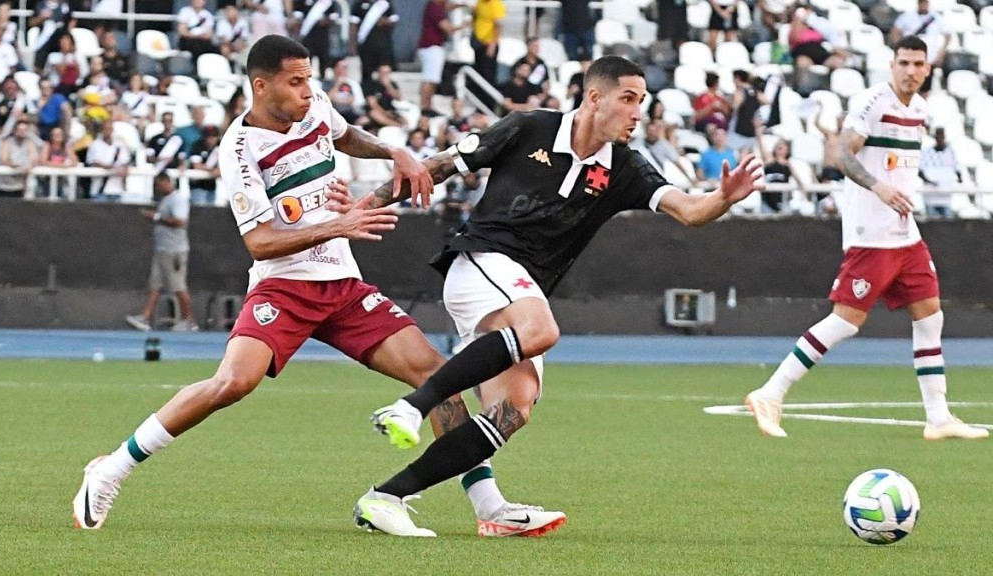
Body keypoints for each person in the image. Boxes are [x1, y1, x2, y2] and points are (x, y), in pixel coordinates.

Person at [73, 35, 557, 540]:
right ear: (261, 86)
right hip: (284, 289)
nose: (309, 91)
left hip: (343, 287)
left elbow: (345, 136)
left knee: (438, 379)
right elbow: (260, 243)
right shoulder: (239, 148)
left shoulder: (315, 107)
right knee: (232, 383)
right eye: (296, 81)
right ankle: (111, 469)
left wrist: (395, 152)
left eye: (311, 79)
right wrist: (337, 226)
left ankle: (490, 508)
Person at [353, 56, 764, 535]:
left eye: (642, 103)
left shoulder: (625, 167)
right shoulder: (528, 128)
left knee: (513, 409)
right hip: (480, 263)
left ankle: (391, 498)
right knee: (541, 329)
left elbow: (690, 211)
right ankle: (413, 406)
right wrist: (361, 209)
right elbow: (440, 166)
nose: (638, 113)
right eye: (628, 100)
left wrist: (723, 198)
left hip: (520, 290)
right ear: (594, 98)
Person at [743, 36, 988, 441]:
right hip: (871, 235)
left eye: (918, 64)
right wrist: (879, 188)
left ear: (928, 69)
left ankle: (939, 416)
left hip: (905, 234)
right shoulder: (872, 102)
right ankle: (771, 393)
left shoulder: (921, 108)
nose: (911, 71)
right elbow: (843, 153)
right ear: (892, 65)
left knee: (930, 317)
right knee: (846, 322)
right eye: (904, 63)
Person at [125, 173, 200, 332]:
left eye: (159, 185)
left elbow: (180, 221)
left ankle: (189, 320)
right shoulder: (166, 200)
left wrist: (156, 217)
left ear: (167, 182)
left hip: (174, 251)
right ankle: (145, 317)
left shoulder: (177, 199)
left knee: (179, 286)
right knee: (156, 285)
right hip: (162, 249)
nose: (157, 189)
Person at [891, 0, 949, 96]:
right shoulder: (908, 16)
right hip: (909, 58)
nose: (923, 4)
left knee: (925, 89)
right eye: (921, 2)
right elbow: (895, 31)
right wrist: (900, 48)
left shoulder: (937, 18)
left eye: (925, 2)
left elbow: (948, 36)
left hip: (929, 58)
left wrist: (941, 53)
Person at [350, 0, 399, 81]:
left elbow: (394, 21)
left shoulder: (385, 3)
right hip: (366, 45)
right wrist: (352, 45)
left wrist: (385, 21)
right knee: (367, 72)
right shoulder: (359, 4)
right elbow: (353, 25)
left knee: (384, 70)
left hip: (383, 45)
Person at [919, 127, 961, 218]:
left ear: (944, 136)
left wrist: (958, 179)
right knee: (931, 222)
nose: (940, 138)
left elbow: (957, 169)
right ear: (935, 137)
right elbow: (920, 171)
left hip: (945, 195)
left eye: (941, 135)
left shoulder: (950, 152)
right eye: (938, 135)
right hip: (930, 194)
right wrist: (929, 182)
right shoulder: (927, 152)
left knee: (947, 222)